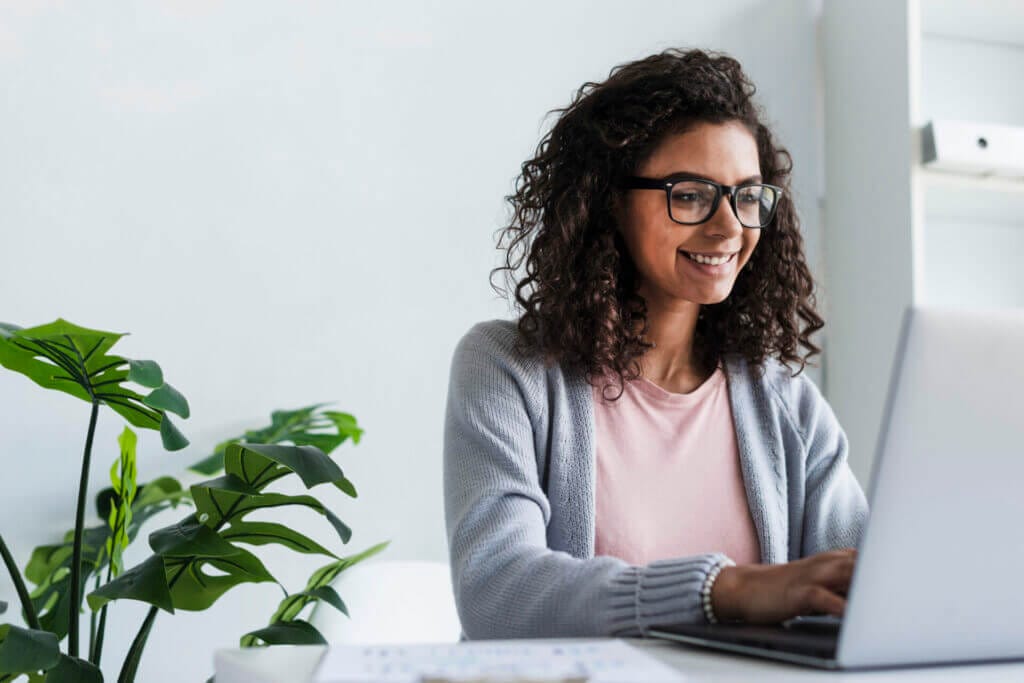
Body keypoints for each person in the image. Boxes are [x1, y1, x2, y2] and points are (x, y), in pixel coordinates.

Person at [442, 47, 867, 640]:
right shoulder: (508, 369)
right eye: (691, 194)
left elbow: (864, 585)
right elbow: (498, 594)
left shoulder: (786, 404)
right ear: (608, 200)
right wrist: (727, 591)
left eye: (748, 196)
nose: (729, 228)